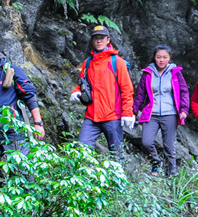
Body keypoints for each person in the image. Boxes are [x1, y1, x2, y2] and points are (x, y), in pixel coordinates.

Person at [0, 42, 44, 193]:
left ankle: (29, 210)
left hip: (14, 134)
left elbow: (29, 96)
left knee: (22, 171)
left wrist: (38, 123)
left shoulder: (12, 71)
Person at [70, 24, 134, 155]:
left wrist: (127, 112)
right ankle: (87, 175)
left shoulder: (118, 62)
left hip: (112, 117)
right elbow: (82, 84)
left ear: (108, 40)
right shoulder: (88, 63)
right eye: (96, 38)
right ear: (92, 41)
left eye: (102, 38)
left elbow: (127, 90)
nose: (99, 41)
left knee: (117, 156)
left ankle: (119, 176)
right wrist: (75, 92)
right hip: (91, 116)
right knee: (82, 151)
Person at [132, 45, 190, 176]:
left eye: (165, 57)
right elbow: (140, 94)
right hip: (151, 114)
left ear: (169, 58)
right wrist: (133, 112)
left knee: (169, 145)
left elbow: (184, 91)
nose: (161, 60)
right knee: (146, 142)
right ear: (154, 57)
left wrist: (184, 109)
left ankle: (171, 173)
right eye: (159, 57)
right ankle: (156, 162)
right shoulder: (148, 73)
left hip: (170, 114)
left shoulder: (175, 73)